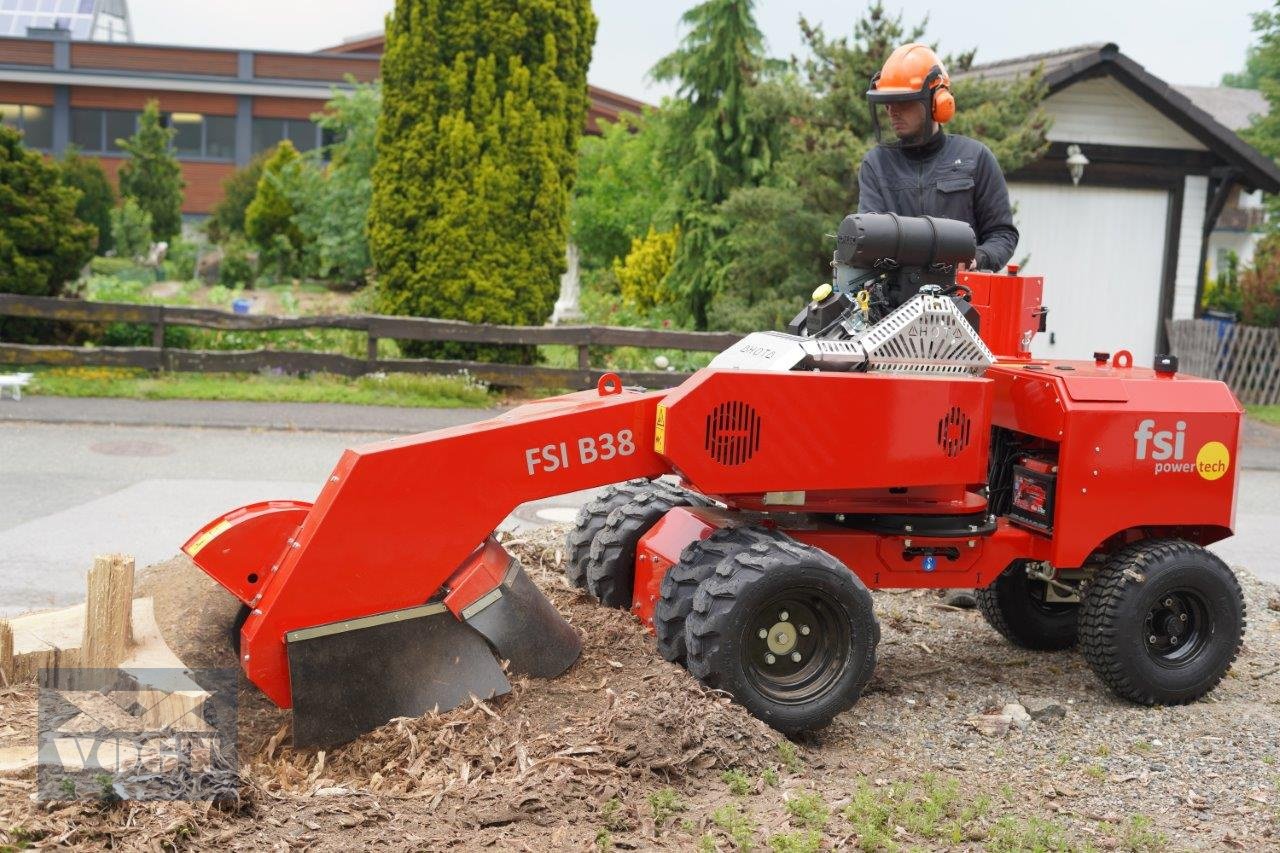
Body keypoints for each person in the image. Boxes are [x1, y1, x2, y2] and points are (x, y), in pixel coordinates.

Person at [858, 43, 1018, 273]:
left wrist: (978, 259)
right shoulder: (876, 164)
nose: (892, 111)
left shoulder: (975, 158)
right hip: (893, 301)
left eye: (903, 102)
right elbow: (869, 238)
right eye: (887, 102)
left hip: (960, 298)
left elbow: (1002, 234)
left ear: (937, 102)